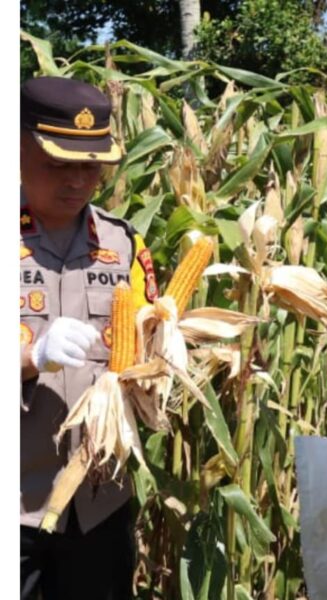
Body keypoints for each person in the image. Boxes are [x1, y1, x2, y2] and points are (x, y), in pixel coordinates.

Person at [20, 76, 158, 599]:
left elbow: (149, 346)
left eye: (91, 165)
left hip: (100, 505)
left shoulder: (124, 246)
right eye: (58, 163)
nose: (77, 181)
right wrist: (32, 354)